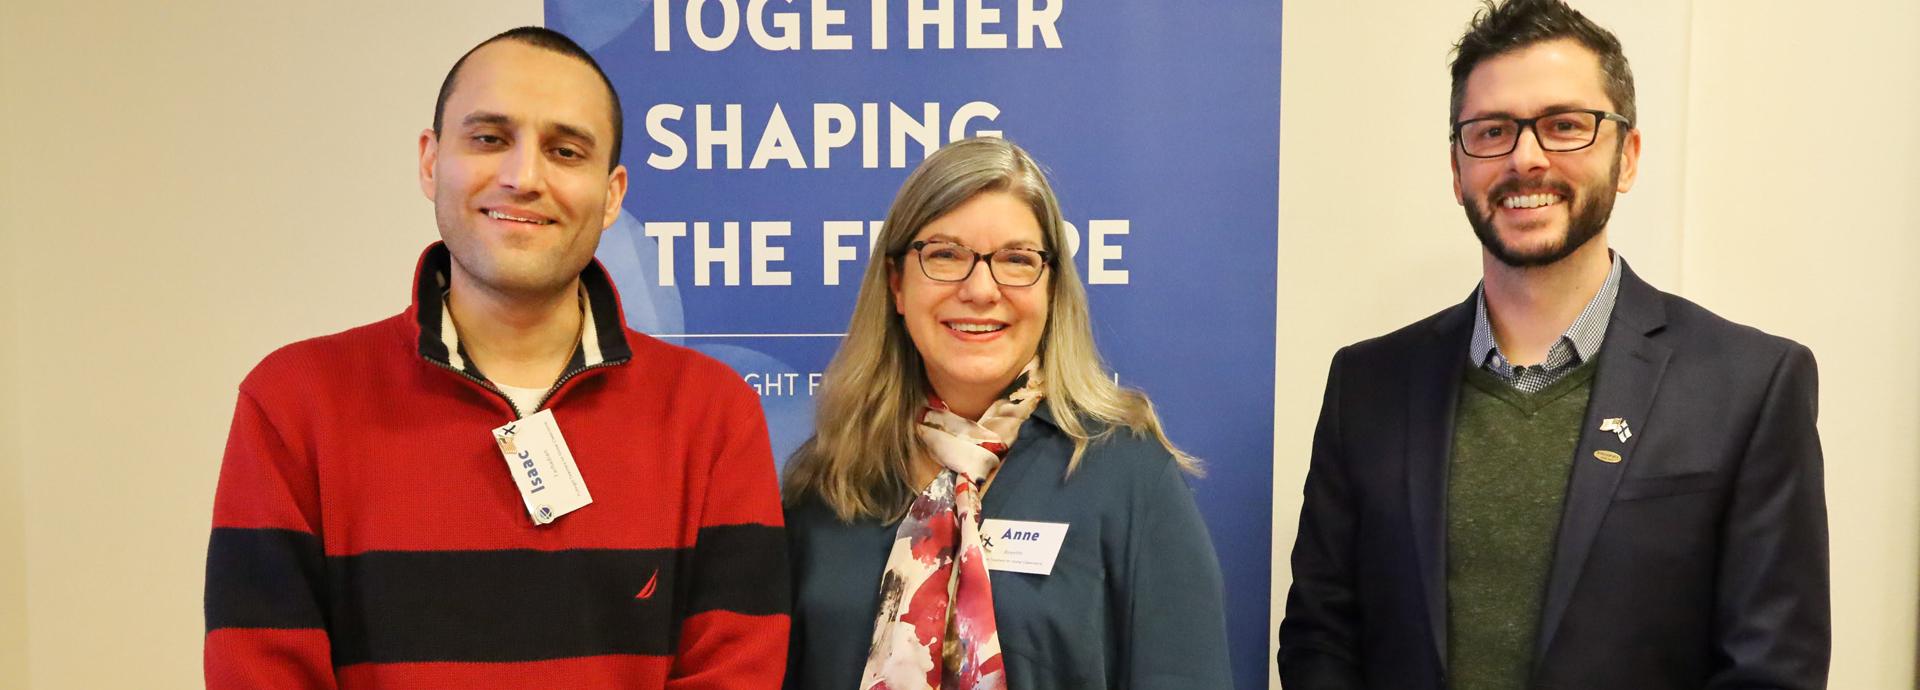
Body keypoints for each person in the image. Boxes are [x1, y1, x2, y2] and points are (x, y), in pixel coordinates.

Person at [202, 27, 788, 689]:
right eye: (488, 139)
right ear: (430, 161)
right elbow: (261, 672)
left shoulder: (710, 412)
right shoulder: (294, 401)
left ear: (613, 193)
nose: (523, 177)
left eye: (565, 150)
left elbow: (736, 671)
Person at [1276, 1, 1830, 688]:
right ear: (1457, 168)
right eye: (1493, 131)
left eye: (1565, 126)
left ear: (1626, 157)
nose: (1526, 158)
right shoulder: (1367, 386)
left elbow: (1772, 670)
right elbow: (1321, 641)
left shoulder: (1748, 386)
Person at [782, 137, 1232, 689]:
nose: (980, 289)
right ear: (898, 284)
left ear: (1051, 288)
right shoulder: (827, 480)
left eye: (1016, 260)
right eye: (945, 255)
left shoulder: (1130, 478)